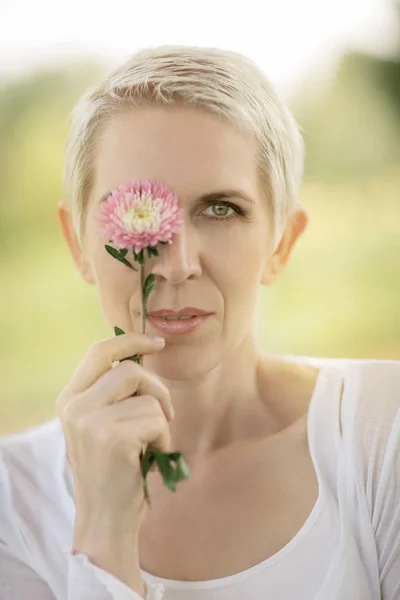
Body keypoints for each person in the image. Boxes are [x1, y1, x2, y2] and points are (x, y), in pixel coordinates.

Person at [0, 45, 399, 600]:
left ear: (282, 243)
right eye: (137, 207)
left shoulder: (382, 434)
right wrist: (103, 534)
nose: (178, 262)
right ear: (77, 244)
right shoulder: (12, 503)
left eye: (221, 209)